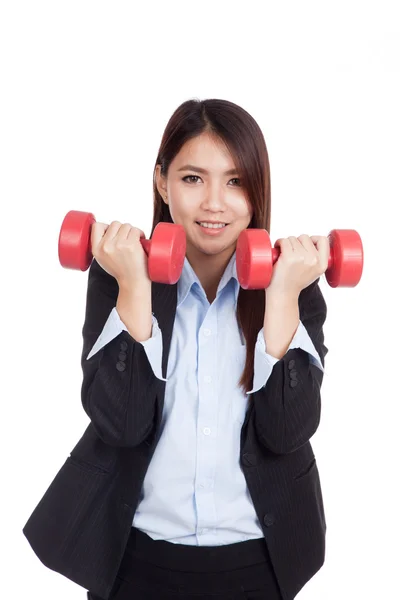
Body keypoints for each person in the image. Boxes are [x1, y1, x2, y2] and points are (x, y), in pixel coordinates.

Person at [22, 98, 329, 600]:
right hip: (134, 559)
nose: (214, 202)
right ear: (162, 182)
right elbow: (121, 425)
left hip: (258, 561)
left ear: (258, 190)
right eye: (192, 179)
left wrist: (281, 297)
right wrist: (135, 289)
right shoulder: (117, 276)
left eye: (235, 181)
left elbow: (287, 430)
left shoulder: (296, 285)